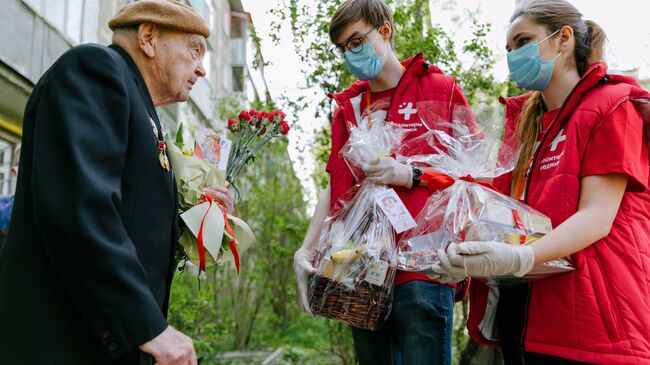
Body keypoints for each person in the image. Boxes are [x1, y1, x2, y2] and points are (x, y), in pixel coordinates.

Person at [0, 1, 232, 364]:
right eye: (194, 50)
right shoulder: (95, 70)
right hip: (62, 342)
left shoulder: (139, 104)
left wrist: (201, 215)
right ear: (149, 37)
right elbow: (80, 209)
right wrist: (147, 326)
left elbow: (134, 220)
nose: (201, 69)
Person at [432, 0, 650, 364]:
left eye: (523, 41)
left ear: (563, 38)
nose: (513, 55)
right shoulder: (528, 125)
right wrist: (470, 253)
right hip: (527, 317)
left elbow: (597, 216)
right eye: (508, 49)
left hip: (596, 322)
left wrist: (520, 256)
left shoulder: (612, 104)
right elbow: (508, 216)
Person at [293, 0, 478, 364]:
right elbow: (336, 187)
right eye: (344, 47)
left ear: (385, 30)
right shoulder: (351, 108)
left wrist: (411, 174)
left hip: (424, 268)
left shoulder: (440, 89)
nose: (352, 52)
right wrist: (306, 249)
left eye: (358, 40)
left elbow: (472, 176)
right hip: (361, 274)